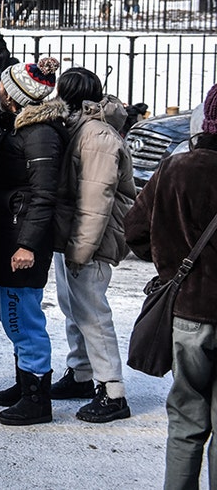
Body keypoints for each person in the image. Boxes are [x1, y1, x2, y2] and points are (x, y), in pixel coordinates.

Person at [126, 84, 217, 490]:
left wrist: (171, 261)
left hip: (188, 314)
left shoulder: (176, 169)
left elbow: (135, 231)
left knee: (185, 420)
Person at [50, 67, 135, 423]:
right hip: (75, 235)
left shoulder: (97, 135)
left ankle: (112, 390)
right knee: (74, 307)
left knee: (93, 313)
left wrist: (81, 251)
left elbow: (95, 200)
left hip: (92, 239)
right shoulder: (80, 127)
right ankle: (82, 373)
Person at [0, 58, 64, 426]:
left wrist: (28, 245)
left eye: (4, 86)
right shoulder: (22, 127)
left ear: (15, 96)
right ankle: (25, 381)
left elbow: (44, 195)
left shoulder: (40, 134)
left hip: (23, 240)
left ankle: (37, 398)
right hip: (10, 232)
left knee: (23, 319)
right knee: (10, 314)